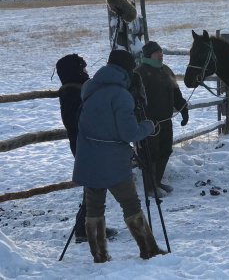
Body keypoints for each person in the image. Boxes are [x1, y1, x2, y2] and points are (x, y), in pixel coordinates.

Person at [72, 49, 166, 263]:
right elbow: (130, 133)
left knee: (94, 206)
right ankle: (148, 250)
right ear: (126, 70)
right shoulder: (121, 95)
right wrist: (148, 126)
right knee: (131, 204)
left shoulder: (89, 87)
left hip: (88, 157)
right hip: (113, 160)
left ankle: (99, 255)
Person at [56, 54, 117, 244]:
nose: (86, 72)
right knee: (94, 186)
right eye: (82, 69)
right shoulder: (72, 93)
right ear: (75, 71)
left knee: (95, 185)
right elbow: (76, 122)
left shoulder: (78, 89)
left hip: (88, 144)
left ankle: (90, 226)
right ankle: (85, 229)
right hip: (86, 145)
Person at [130, 41, 189, 198]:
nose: (160, 55)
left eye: (161, 52)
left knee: (166, 150)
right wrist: (143, 119)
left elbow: (176, 92)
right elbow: (134, 100)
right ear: (149, 55)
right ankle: (149, 188)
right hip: (148, 123)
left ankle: (157, 182)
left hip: (165, 120)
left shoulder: (166, 70)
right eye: (157, 53)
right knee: (151, 154)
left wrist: (183, 109)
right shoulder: (139, 72)